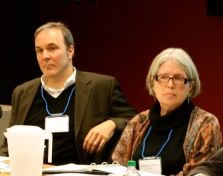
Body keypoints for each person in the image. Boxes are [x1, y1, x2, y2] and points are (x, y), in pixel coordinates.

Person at [0, 22, 136, 164]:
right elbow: (9, 143)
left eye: (52, 48)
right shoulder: (22, 92)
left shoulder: (101, 86)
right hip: (31, 175)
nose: (45, 56)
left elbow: (134, 120)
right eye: (39, 50)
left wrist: (112, 123)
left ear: (70, 51)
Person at [112, 47, 222, 176]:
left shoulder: (205, 123)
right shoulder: (139, 121)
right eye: (163, 77)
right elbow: (118, 168)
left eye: (178, 78)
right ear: (153, 82)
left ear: (191, 86)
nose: (170, 85)